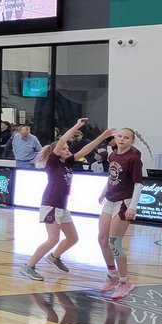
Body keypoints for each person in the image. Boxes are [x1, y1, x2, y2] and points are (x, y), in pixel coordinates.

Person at [21, 118, 112, 281]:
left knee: (73, 238)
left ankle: (54, 257)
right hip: (50, 204)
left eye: (68, 147)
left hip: (62, 207)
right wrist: (77, 125)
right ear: (57, 151)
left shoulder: (67, 163)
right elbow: (62, 139)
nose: (67, 148)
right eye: (64, 148)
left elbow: (85, 150)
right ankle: (29, 266)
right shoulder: (53, 163)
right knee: (53, 238)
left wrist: (102, 137)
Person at [97, 128, 144, 300]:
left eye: (126, 137)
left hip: (124, 203)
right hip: (110, 200)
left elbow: (138, 184)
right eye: (120, 136)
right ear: (115, 139)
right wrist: (104, 191)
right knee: (102, 239)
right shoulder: (112, 155)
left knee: (114, 242)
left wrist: (132, 206)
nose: (122, 139)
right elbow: (111, 177)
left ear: (132, 141)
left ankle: (125, 281)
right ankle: (112, 275)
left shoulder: (133, 159)